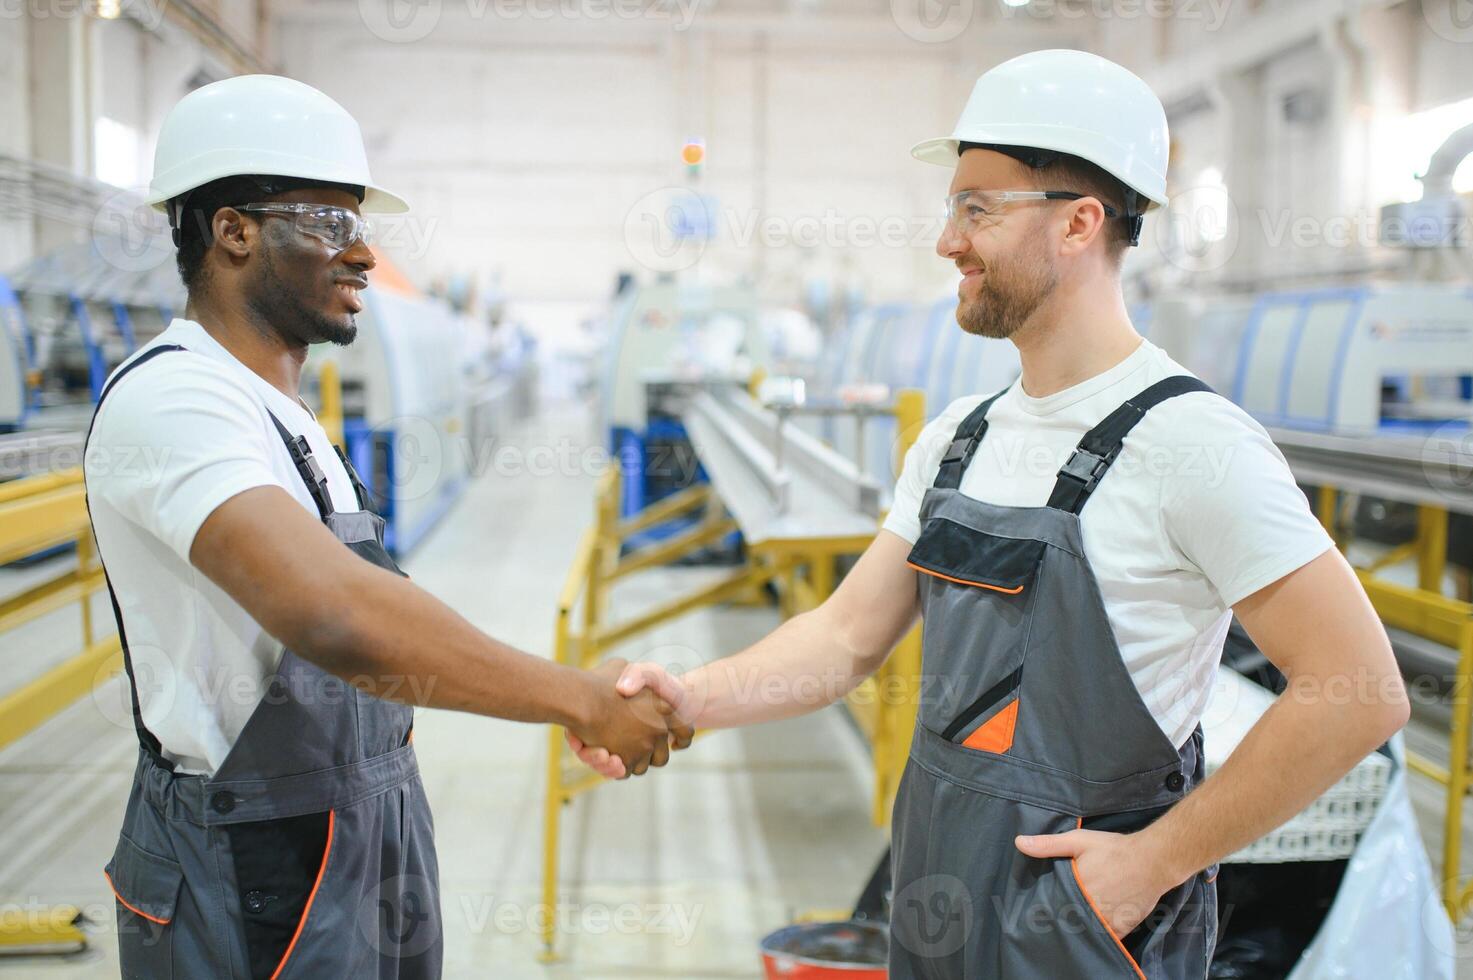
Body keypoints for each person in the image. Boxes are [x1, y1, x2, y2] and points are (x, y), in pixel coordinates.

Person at [569, 49, 1408, 978]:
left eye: (976, 209)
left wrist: (1152, 865)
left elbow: (1357, 690)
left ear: (1080, 224)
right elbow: (846, 636)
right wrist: (696, 697)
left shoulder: (1192, 445)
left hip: (1085, 923)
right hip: (939, 883)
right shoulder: (958, 438)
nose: (946, 242)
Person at [85, 75, 689, 980]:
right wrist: (580, 697)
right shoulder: (174, 399)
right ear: (233, 230)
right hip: (254, 857)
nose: (364, 254)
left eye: (359, 224)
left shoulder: (279, 410)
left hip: (361, 821)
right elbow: (334, 615)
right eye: (330, 224)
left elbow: (368, 600)